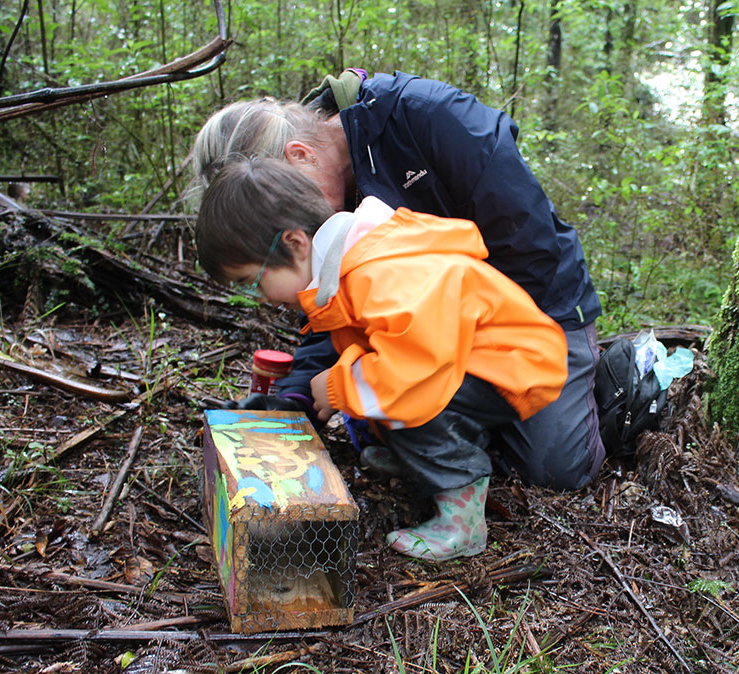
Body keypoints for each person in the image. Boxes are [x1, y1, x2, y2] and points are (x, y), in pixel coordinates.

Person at [188, 69, 604, 491]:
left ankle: (613, 384)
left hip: (534, 313)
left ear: (299, 157)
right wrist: (296, 400)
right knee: (390, 390)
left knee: (551, 470)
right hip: (436, 327)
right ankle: (456, 425)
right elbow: (334, 315)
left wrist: (456, 367)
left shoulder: (426, 116)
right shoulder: (324, 216)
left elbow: (533, 246)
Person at [196, 157, 569, 561]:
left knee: (401, 393)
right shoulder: (351, 264)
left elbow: (416, 370)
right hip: (474, 361)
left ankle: (462, 519)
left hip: (512, 366)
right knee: (378, 381)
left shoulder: (381, 271)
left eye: (253, 280)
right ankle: (419, 455)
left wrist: (339, 385)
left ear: (295, 243)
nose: (259, 295)